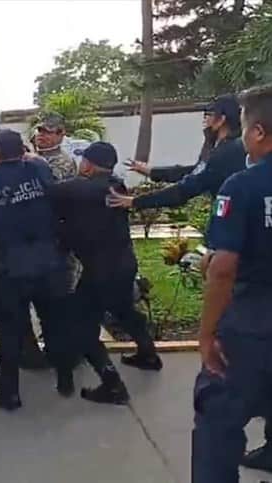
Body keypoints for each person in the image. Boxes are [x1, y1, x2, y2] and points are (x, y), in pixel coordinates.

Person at [191, 84, 272, 483]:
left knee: (216, 426)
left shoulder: (242, 186)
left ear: (258, 132)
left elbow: (223, 268)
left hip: (252, 328)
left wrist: (206, 335)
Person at [0, 129, 73, 410]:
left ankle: (11, 392)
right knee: (55, 323)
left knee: (10, 331)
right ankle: (64, 379)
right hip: (50, 262)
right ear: (23, 149)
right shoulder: (39, 168)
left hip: (10, 268)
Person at [50, 142, 157, 404]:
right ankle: (148, 354)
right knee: (124, 310)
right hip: (124, 263)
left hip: (100, 271)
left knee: (82, 329)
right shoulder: (115, 185)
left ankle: (112, 384)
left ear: (87, 163)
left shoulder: (79, 188)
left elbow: (49, 191)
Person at [108, 94, 246, 226]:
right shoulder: (220, 147)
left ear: (221, 119)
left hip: (236, 222)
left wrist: (135, 202)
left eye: (208, 115)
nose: (204, 120)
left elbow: (186, 188)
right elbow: (195, 172)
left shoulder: (228, 152)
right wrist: (152, 171)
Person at [34, 112, 78, 181]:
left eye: (48, 132)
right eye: (40, 130)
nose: (41, 135)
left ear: (61, 134)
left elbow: (47, 181)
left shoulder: (64, 162)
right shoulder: (34, 155)